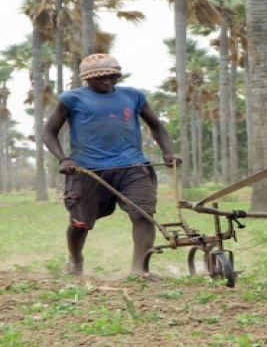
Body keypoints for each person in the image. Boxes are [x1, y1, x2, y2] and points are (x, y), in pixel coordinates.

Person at [42, 53, 181, 278]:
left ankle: (139, 270)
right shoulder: (71, 99)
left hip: (132, 166)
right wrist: (63, 159)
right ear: (87, 79)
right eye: (100, 79)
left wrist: (168, 152)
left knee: (143, 214)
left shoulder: (133, 96)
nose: (107, 82)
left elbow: (156, 125)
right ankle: (76, 260)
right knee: (80, 222)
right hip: (88, 170)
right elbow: (49, 133)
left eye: (112, 77)